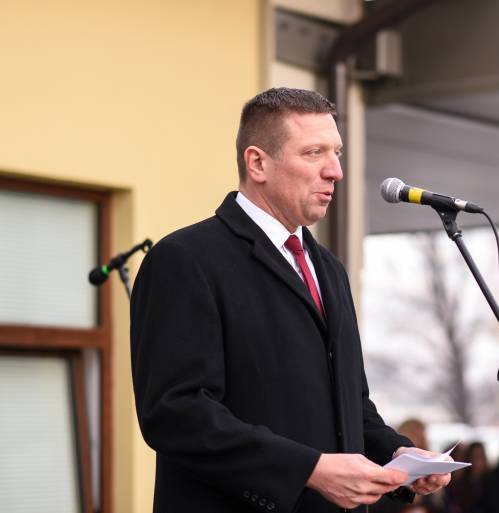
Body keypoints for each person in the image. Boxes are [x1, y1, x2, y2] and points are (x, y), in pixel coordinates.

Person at [130, 87, 450, 513]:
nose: (335, 171)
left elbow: (350, 406)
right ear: (258, 163)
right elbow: (176, 414)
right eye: (314, 153)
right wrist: (308, 470)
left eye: (336, 153)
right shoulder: (185, 259)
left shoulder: (329, 269)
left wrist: (397, 454)